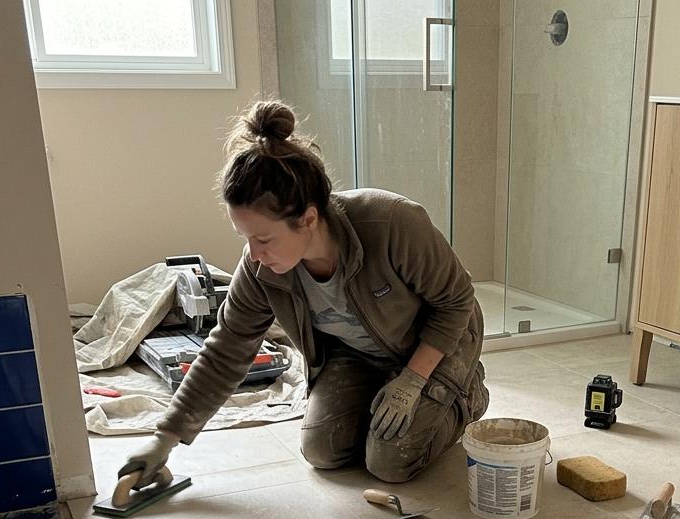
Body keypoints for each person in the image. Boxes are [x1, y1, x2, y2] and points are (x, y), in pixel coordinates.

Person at [118, 100, 489, 490]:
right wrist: (165, 438)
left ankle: (467, 395)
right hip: (359, 354)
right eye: (246, 238)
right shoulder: (261, 266)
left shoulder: (392, 222)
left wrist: (412, 381)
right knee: (323, 452)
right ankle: (390, 404)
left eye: (263, 238)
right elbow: (227, 347)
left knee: (390, 463)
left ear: (309, 219)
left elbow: (457, 302)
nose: (255, 254)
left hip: (441, 343)